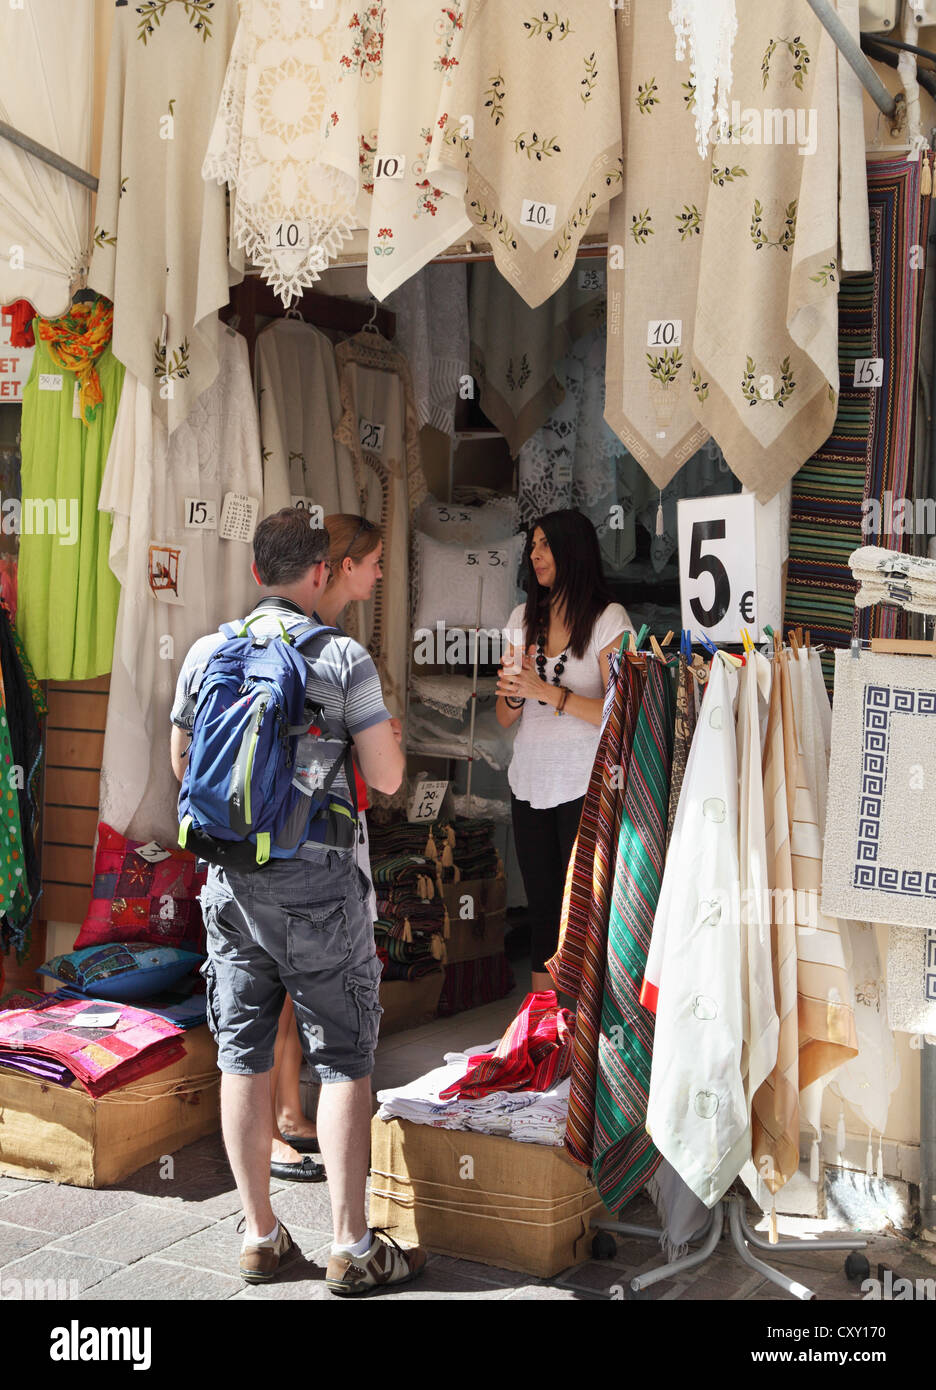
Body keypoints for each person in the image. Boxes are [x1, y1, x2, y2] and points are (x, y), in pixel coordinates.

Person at [169, 508, 426, 1296]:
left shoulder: (209, 650)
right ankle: (350, 1246)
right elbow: (385, 778)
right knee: (344, 1060)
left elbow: (184, 766)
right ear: (321, 574)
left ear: (256, 576)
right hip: (318, 886)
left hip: (231, 887)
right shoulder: (342, 657)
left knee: (242, 1055)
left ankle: (258, 1235)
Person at [267, 515, 399, 1179]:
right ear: (341, 567)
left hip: (299, 830)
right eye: (374, 562)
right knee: (294, 977)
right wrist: (374, 737)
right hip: (308, 833)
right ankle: (281, 1117)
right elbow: (319, 759)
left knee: (290, 977)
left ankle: (289, 1112)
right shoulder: (328, 648)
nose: (380, 574)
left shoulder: (310, 636)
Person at [495, 509, 632, 992]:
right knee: (542, 904)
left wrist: (547, 691)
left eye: (545, 545)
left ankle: (582, 1029)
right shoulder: (521, 617)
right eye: (533, 545)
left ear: (573, 550)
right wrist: (515, 690)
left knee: (585, 907)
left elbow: (621, 709)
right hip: (529, 780)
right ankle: (541, 1035)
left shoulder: (608, 619)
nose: (535, 555)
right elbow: (505, 716)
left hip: (585, 783)